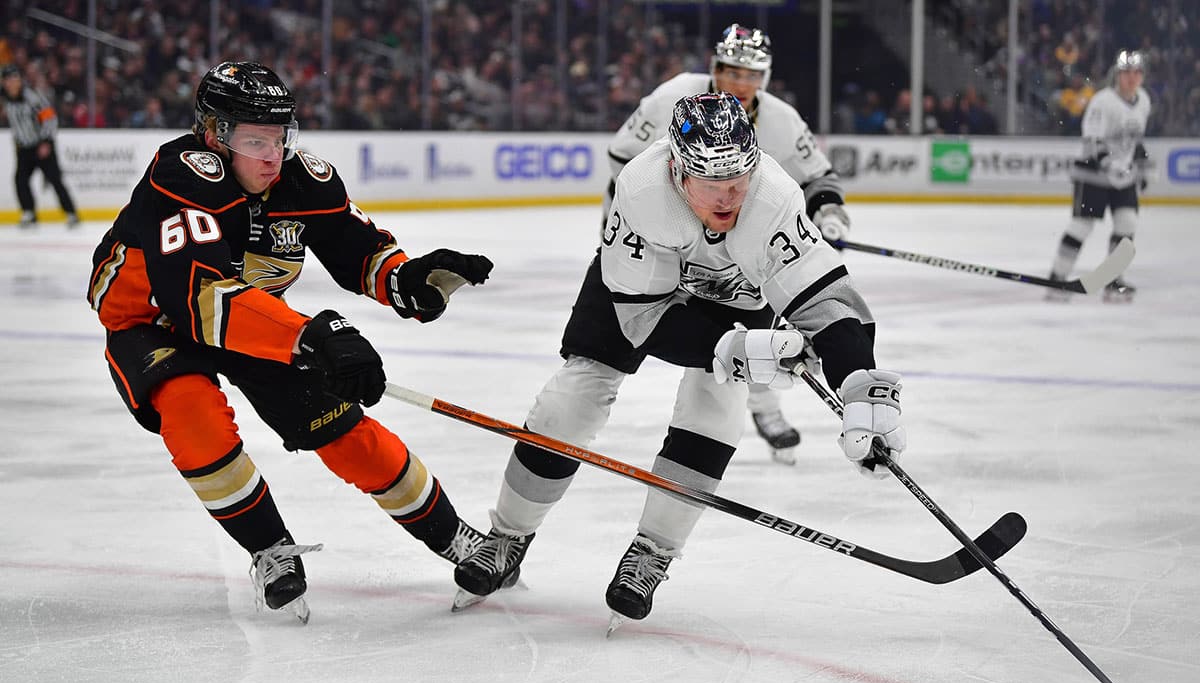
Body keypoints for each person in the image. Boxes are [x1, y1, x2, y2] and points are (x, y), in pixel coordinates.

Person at [454, 92, 904, 628]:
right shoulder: (643, 190)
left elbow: (826, 301)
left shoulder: (773, 195)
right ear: (677, 170)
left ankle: (653, 551)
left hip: (735, 296)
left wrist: (859, 386)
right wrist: (726, 349)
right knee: (569, 402)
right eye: (712, 184)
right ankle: (506, 536)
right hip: (634, 292)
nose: (729, 198)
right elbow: (641, 318)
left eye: (738, 181)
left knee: (716, 406)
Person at [85, 62, 496, 622]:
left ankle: (458, 538)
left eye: (281, 138)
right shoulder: (181, 176)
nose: (272, 155)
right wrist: (310, 336)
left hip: (249, 319)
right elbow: (201, 301)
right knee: (192, 412)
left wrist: (406, 280)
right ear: (213, 135)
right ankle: (268, 547)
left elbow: (358, 251)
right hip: (152, 323)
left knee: (345, 433)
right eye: (255, 140)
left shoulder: (304, 181)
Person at [604, 24, 853, 465]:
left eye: (751, 74)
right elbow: (623, 157)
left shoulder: (781, 118)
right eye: (731, 71)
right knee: (634, 323)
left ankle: (764, 405)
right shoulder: (672, 97)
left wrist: (827, 211)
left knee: (759, 321)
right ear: (714, 68)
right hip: (656, 231)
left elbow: (817, 177)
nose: (740, 83)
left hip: (737, 238)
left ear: (766, 78)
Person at [1047, 50, 1152, 303]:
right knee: (1082, 226)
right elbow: (1093, 140)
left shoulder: (1144, 101)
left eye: (1136, 73)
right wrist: (1108, 164)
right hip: (1093, 174)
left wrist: (1142, 165)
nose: (1131, 78)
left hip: (1123, 176)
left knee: (1127, 225)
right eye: (1126, 73)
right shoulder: (1103, 102)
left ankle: (1113, 279)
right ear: (1117, 75)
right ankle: (1057, 278)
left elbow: (1134, 141)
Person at [1, 63, 79, 228]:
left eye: (14, 78)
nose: (11, 83)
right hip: (23, 147)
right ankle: (29, 213)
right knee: (20, 180)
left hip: (41, 146)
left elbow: (50, 119)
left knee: (55, 180)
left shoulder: (32, 97)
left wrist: (46, 142)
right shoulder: (5, 98)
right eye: (7, 80)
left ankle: (71, 213)